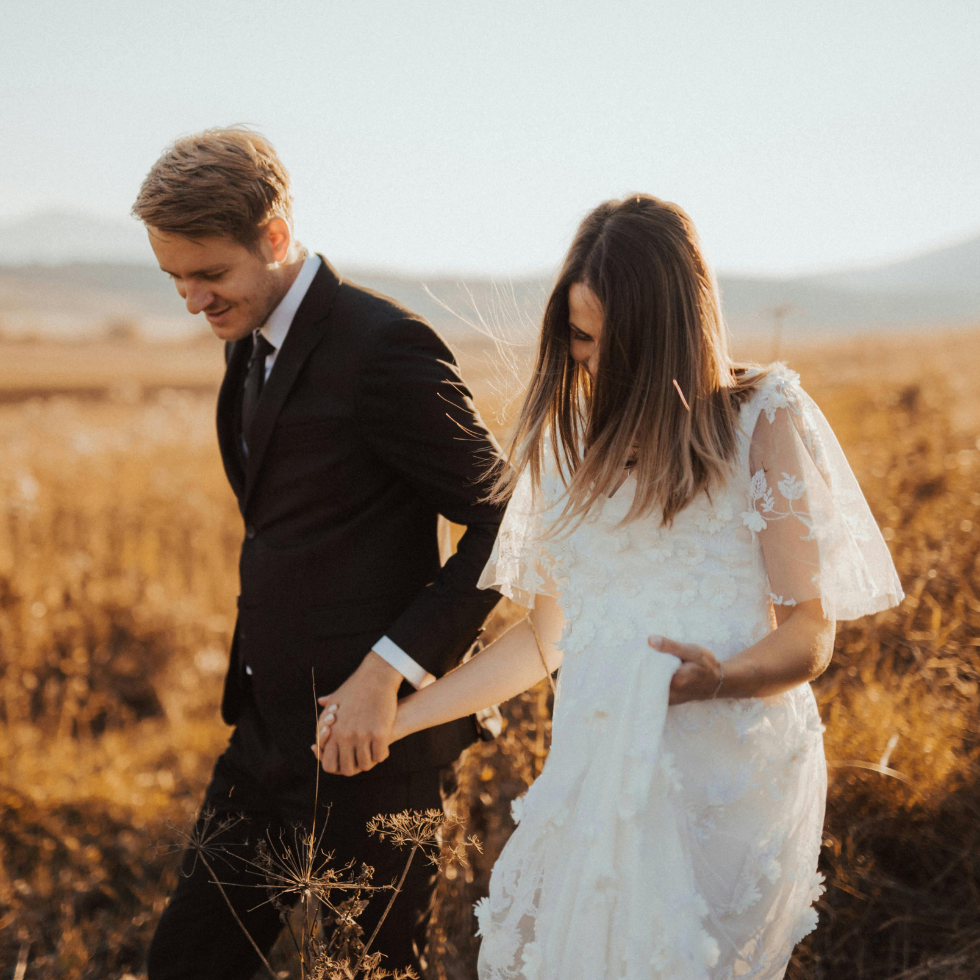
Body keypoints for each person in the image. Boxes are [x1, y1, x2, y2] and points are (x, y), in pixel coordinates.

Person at [317, 194, 905, 979]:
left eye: (600, 341)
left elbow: (808, 633)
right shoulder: (564, 446)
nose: (585, 360)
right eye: (576, 337)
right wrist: (402, 718)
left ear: (664, 335)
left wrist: (722, 677)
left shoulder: (761, 417)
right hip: (594, 771)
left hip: (726, 776)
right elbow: (543, 639)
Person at [134, 127, 505, 979]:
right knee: (186, 965)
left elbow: (506, 524)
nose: (193, 301)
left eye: (209, 274)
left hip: (378, 752)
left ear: (273, 236)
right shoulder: (248, 338)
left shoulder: (385, 347)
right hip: (263, 741)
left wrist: (389, 670)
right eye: (175, 279)